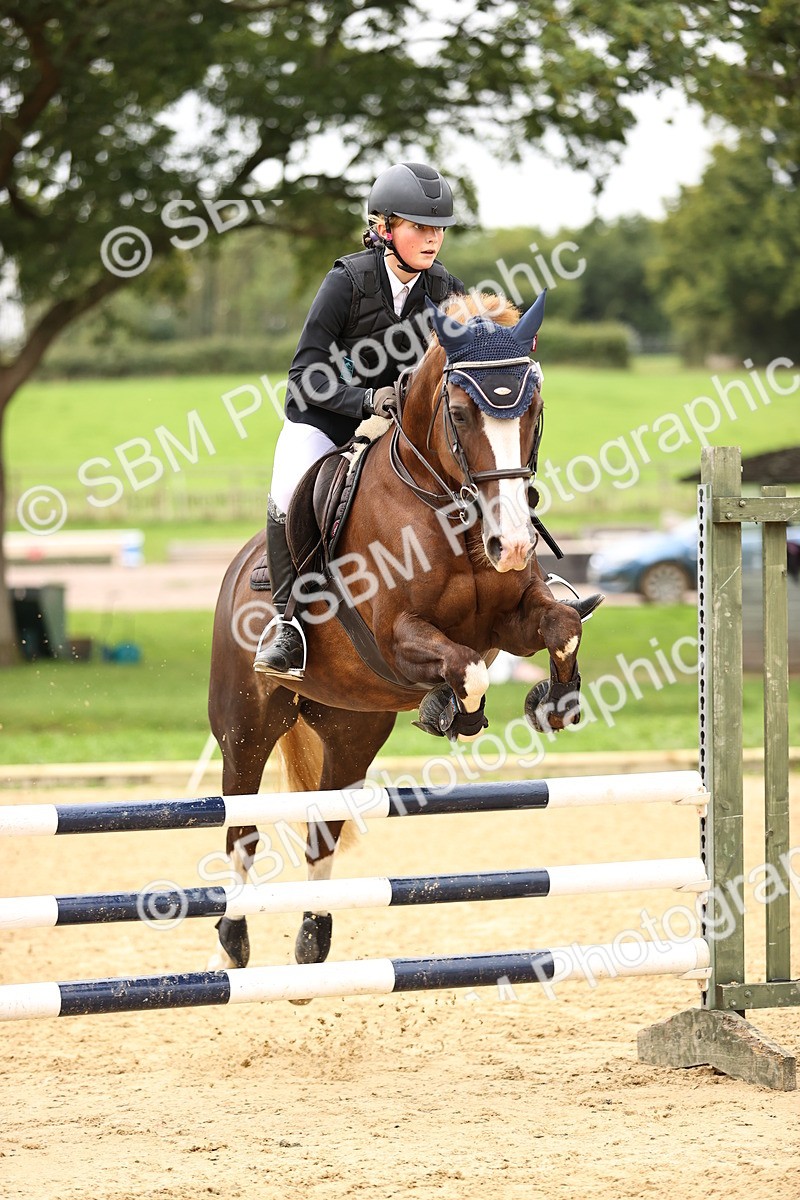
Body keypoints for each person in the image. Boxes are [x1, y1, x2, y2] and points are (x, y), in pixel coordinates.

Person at [254, 162, 465, 678]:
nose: (432, 238)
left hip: (401, 432)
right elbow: (303, 375)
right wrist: (367, 401)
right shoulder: (347, 282)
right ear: (383, 228)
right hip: (325, 419)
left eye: (438, 228)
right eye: (419, 226)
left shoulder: (444, 291)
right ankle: (289, 626)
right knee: (286, 491)